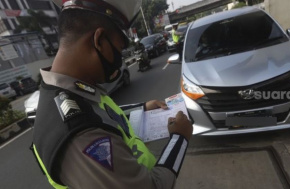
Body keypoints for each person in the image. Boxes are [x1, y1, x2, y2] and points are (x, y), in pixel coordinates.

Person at [32, 0, 193, 189]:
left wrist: (142, 107)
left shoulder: (72, 92)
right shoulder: (82, 136)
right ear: (99, 41)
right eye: (118, 49)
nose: (120, 59)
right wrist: (179, 138)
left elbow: (101, 112)